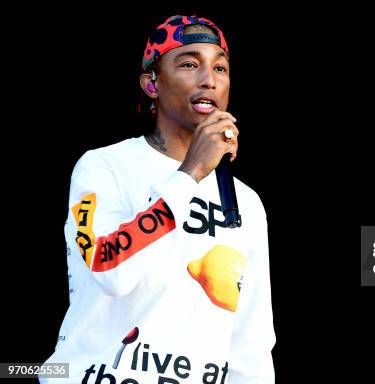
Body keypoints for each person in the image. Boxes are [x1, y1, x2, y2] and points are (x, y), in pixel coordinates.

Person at [41, 15, 275, 383]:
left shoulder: (245, 201)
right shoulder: (104, 167)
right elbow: (109, 268)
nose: (209, 80)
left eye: (220, 67)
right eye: (188, 64)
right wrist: (191, 173)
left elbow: (251, 338)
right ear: (152, 83)